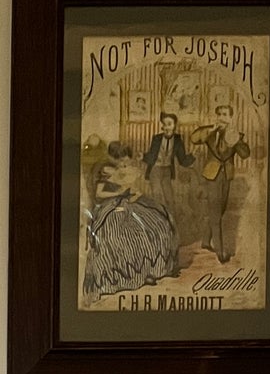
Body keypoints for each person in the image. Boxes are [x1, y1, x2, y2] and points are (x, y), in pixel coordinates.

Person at [83, 145, 179, 300]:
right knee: (119, 233)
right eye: (120, 161)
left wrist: (133, 193)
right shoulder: (105, 169)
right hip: (111, 205)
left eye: (125, 161)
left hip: (129, 202)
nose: (123, 164)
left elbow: (132, 189)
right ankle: (125, 275)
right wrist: (118, 192)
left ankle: (150, 269)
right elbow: (99, 193)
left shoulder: (127, 171)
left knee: (154, 222)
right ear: (114, 158)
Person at [191, 104, 250, 261]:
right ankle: (220, 251)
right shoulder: (209, 132)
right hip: (212, 175)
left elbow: (245, 154)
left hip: (226, 176)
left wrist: (236, 140)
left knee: (220, 210)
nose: (222, 117)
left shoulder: (236, 134)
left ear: (231, 118)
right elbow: (194, 138)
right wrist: (211, 130)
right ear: (217, 116)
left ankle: (205, 240)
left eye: (226, 115)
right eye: (220, 114)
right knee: (216, 213)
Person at [141, 111, 194, 219]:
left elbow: (182, 160)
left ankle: (170, 220)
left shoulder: (178, 140)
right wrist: (142, 156)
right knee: (157, 196)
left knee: (169, 198)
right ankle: (157, 219)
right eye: (164, 124)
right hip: (155, 170)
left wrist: (193, 156)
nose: (166, 127)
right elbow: (151, 156)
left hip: (167, 171)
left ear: (174, 125)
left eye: (169, 124)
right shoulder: (157, 138)